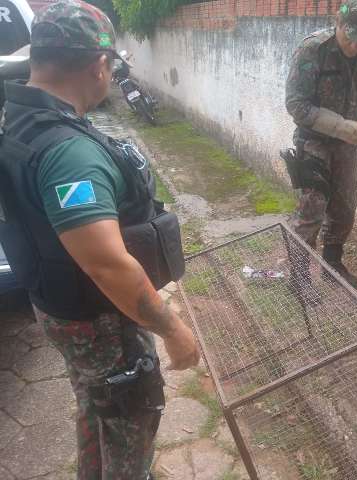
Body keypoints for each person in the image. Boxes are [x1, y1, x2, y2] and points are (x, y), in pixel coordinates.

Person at [0, 1, 200, 478]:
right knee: (131, 416)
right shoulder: (70, 154)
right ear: (98, 65)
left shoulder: (19, 117)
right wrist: (172, 329)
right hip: (99, 321)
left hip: (60, 309)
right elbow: (107, 264)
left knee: (96, 404)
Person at [285, 0, 357, 289]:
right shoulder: (313, 49)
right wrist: (338, 125)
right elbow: (296, 104)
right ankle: (299, 277)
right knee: (312, 211)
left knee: (345, 207)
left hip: (349, 145)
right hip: (314, 141)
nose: (355, 47)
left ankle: (332, 264)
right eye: (350, 38)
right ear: (337, 24)